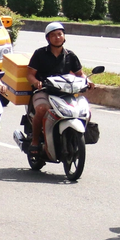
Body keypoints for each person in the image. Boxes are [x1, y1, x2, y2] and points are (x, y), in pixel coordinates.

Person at [27, 22, 85, 155]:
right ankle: (35, 141)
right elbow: (30, 74)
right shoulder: (40, 53)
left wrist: (88, 81)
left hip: (65, 93)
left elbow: (80, 74)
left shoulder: (70, 55)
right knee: (42, 109)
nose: (57, 37)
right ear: (48, 38)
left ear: (64, 36)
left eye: (60, 34)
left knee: (82, 111)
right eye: (53, 35)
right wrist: (36, 83)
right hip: (44, 92)